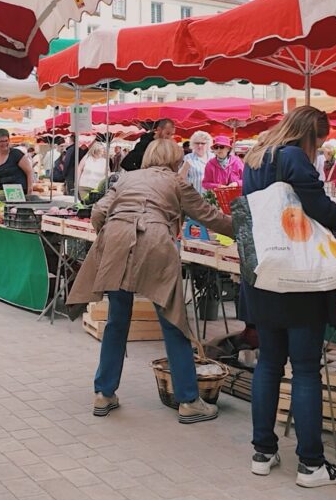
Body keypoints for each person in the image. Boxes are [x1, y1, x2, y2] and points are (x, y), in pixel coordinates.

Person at [67, 138, 232, 424]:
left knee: (117, 321)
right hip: (155, 242)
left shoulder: (127, 178)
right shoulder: (177, 182)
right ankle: (188, 400)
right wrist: (246, 228)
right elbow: (210, 217)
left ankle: (104, 393)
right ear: (174, 160)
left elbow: (98, 212)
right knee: (173, 322)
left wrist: (110, 233)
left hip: (117, 241)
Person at [238, 106, 336, 488]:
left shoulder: (256, 157)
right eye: (320, 141)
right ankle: (311, 464)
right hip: (299, 278)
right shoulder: (294, 157)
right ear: (310, 135)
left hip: (263, 272)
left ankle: (262, 452)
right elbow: (319, 209)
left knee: (269, 363)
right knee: (304, 369)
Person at [0, 129, 34, 195]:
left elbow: (29, 171)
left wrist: (29, 191)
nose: (4, 143)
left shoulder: (16, 154)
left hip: (20, 193)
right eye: (1, 141)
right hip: (5, 193)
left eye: (6, 140)